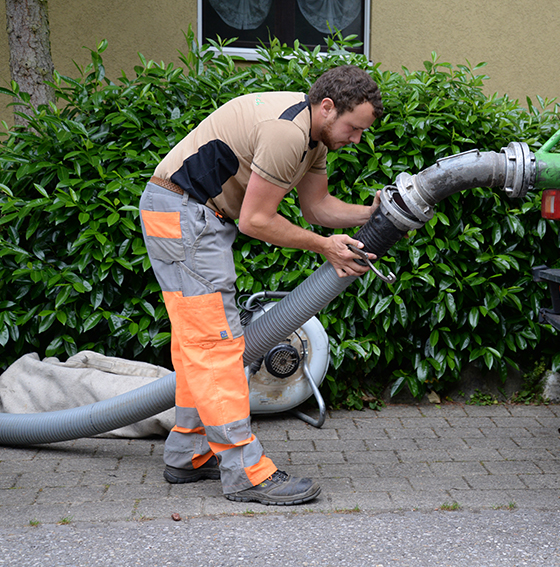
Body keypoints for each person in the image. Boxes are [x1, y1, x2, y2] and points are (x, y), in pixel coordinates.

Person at [138, 65, 384, 506]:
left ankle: (190, 453)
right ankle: (245, 472)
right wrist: (325, 247)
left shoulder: (313, 137)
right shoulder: (287, 132)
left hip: (189, 215)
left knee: (201, 344)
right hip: (183, 214)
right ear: (328, 107)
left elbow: (317, 207)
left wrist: (375, 214)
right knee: (216, 346)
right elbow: (255, 221)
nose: (357, 139)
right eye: (354, 128)